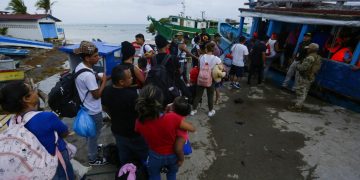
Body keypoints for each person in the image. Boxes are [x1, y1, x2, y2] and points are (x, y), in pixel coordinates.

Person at [0, 81, 75, 179]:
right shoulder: (47, 117)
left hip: (36, 165)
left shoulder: (13, 121)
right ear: (26, 99)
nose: (36, 92)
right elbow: (64, 132)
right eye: (33, 90)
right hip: (56, 160)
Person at [135, 85, 195, 180]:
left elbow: (142, 130)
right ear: (161, 101)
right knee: (171, 175)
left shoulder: (139, 122)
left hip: (154, 155)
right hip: (172, 155)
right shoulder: (173, 118)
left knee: (154, 175)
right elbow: (192, 128)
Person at [102, 65, 148, 167]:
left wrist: (113, 117)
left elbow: (104, 107)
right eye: (130, 77)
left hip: (117, 131)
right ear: (121, 82)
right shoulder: (132, 96)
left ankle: (126, 173)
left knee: (124, 156)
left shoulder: (106, 91)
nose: (132, 78)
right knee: (144, 154)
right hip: (134, 133)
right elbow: (142, 113)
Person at [73, 41, 108, 165]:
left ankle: (92, 147)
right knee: (94, 134)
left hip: (86, 108)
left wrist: (98, 76)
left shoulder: (80, 67)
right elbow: (97, 94)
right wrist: (103, 81)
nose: (98, 58)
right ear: (87, 58)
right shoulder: (88, 76)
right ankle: (93, 158)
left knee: (91, 133)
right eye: (95, 56)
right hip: (93, 110)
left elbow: (91, 75)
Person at [191, 42, 222, 117]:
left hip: (200, 79)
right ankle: (210, 111)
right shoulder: (217, 59)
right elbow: (221, 68)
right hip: (210, 80)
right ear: (213, 50)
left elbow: (198, 67)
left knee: (198, 96)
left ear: (206, 49)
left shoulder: (201, 57)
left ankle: (193, 110)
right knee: (210, 96)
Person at [289, 43, 322, 111]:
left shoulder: (310, 57)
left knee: (300, 92)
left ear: (312, 49)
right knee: (304, 92)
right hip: (311, 77)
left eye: (309, 48)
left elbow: (303, 68)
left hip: (305, 77)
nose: (307, 50)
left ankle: (297, 107)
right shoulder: (317, 57)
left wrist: (296, 65)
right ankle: (299, 105)